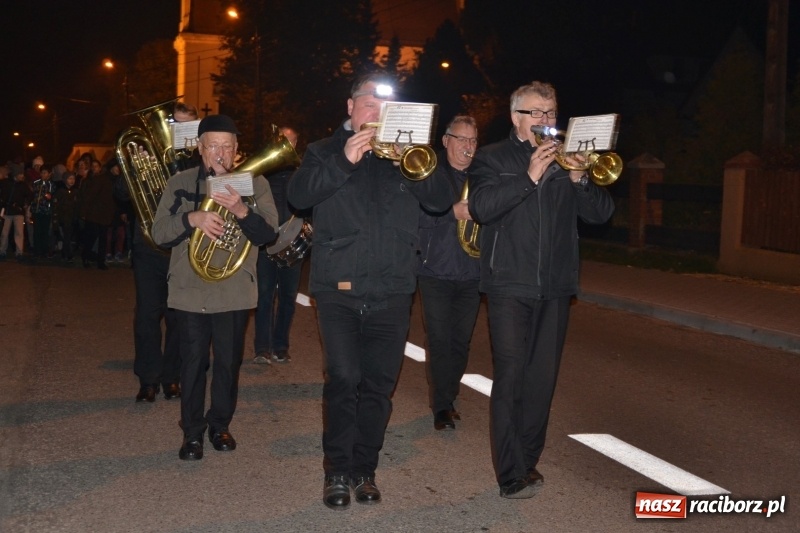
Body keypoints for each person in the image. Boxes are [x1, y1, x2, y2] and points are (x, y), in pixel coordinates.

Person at [287, 73, 454, 509]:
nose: (376, 116)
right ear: (349, 107)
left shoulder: (410, 154)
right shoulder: (323, 150)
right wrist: (344, 159)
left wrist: (411, 163)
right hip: (338, 288)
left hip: (394, 286)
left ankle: (365, 470)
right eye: (368, 106)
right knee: (343, 379)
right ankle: (336, 472)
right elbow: (299, 195)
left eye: (385, 109)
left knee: (380, 385)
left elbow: (440, 200)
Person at [468, 81, 615, 499]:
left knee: (541, 381)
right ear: (516, 117)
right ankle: (509, 471)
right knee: (511, 377)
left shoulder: (568, 159)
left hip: (555, 286)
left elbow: (601, 215)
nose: (546, 121)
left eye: (551, 113)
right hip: (508, 283)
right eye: (537, 113)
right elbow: (481, 207)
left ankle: (528, 461)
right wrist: (530, 176)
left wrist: (580, 178)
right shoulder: (492, 158)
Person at [152, 114, 278, 461]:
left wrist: (240, 208)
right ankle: (191, 433)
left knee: (227, 362)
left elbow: (269, 234)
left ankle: (219, 425)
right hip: (190, 289)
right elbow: (158, 233)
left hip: (234, 290)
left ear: (237, 151)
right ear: (199, 148)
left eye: (227, 146)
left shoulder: (255, 183)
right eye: (212, 146)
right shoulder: (181, 181)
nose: (220, 154)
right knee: (192, 363)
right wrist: (191, 219)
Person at [128, 101, 199, 404]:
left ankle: (171, 377)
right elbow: (121, 192)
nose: (178, 134)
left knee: (178, 318)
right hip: (147, 248)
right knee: (147, 315)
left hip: (181, 248)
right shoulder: (145, 156)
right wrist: (137, 168)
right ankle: (148, 379)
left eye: (186, 128)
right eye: (175, 126)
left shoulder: (199, 161)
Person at [417, 115, 481, 432]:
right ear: (446, 141)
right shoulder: (430, 174)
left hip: (471, 273)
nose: (467, 147)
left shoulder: (483, 178)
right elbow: (415, 218)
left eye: (472, 141)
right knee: (440, 340)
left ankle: (449, 397)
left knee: (461, 343)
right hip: (435, 272)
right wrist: (449, 213)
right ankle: (442, 405)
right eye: (461, 139)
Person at [253, 126, 305, 365]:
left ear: (296, 144)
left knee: (287, 296)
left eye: (290, 141)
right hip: (266, 241)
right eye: (282, 140)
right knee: (264, 296)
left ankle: (281, 346)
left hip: (293, 240)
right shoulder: (263, 169)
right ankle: (262, 348)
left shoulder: (303, 169)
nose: (287, 144)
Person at [78, 159, 114, 270]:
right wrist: (84, 212)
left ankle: (99, 260)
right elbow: (88, 197)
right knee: (92, 237)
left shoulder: (105, 179)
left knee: (102, 238)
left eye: (96, 166)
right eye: (93, 166)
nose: (95, 168)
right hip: (94, 213)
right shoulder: (93, 179)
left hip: (102, 213)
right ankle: (87, 256)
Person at [0, 164, 33, 260]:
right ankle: (2, 251)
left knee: (19, 233)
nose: (22, 176)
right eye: (20, 174)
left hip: (18, 212)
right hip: (7, 211)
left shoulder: (23, 185)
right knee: (4, 233)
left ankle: (19, 252)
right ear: (15, 174)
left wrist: (26, 203)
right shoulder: (5, 183)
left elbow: (30, 195)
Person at [30, 163, 57, 259]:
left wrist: (50, 197)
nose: (43, 175)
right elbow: (32, 195)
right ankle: (36, 251)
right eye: (42, 173)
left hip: (46, 211)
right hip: (36, 211)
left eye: (45, 173)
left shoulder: (52, 184)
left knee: (45, 232)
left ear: (49, 174)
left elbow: (53, 197)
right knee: (36, 231)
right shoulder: (36, 183)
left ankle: (44, 251)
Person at [53, 172, 79, 262]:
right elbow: (56, 205)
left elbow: (76, 205)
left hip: (71, 218)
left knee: (68, 237)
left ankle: (65, 254)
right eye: (69, 179)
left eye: (73, 179)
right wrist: (56, 218)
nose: (72, 181)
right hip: (63, 218)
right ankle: (68, 254)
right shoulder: (60, 191)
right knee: (66, 236)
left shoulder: (75, 191)